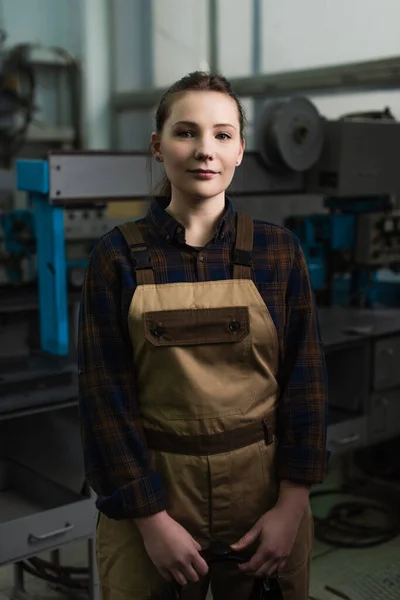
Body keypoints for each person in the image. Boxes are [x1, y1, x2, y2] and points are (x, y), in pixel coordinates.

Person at [78, 71, 329, 600]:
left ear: (240, 149)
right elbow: (105, 401)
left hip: (261, 493)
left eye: (221, 134)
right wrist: (150, 521)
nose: (204, 151)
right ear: (157, 145)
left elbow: (305, 384)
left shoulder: (278, 252)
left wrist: (292, 504)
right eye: (186, 132)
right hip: (155, 489)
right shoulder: (117, 257)